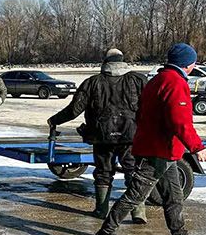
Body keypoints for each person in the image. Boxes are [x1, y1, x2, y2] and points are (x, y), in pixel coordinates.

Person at [91, 43, 206, 235]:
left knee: (174, 197)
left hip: (160, 149)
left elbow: (141, 115)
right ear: (189, 64)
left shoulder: (157, 79)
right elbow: (180, 121)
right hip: (159, 150)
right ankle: (105, 234)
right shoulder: (175, 83)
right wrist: (197, 147)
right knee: (136, 193)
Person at [47, 48, 148, 220]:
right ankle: (138, 212)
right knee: (132, 171)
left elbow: (74, 109)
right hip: (130, 136)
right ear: (123, 61)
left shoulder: (92, 82)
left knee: (103, 172)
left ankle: (101, 210)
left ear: (105, 62)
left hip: (101, 137)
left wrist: (55, 120)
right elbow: (151, 106)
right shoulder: (138, 80)